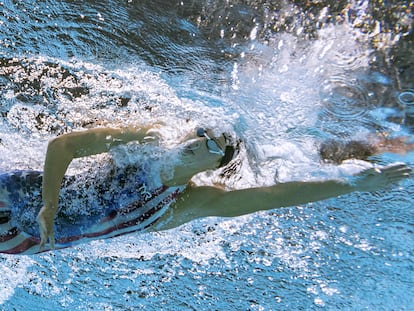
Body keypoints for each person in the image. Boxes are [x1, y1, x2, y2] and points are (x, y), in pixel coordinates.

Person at [0, 124, 411, 254]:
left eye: (214, 145)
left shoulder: (187, 204)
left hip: (22, 242)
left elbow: (276, 196)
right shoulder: (145, 141)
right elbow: (64, 146)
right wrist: (49, 203)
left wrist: (352, 183)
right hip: (14, 195)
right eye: (201, 131)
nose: (200, 140)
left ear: (217, 167)